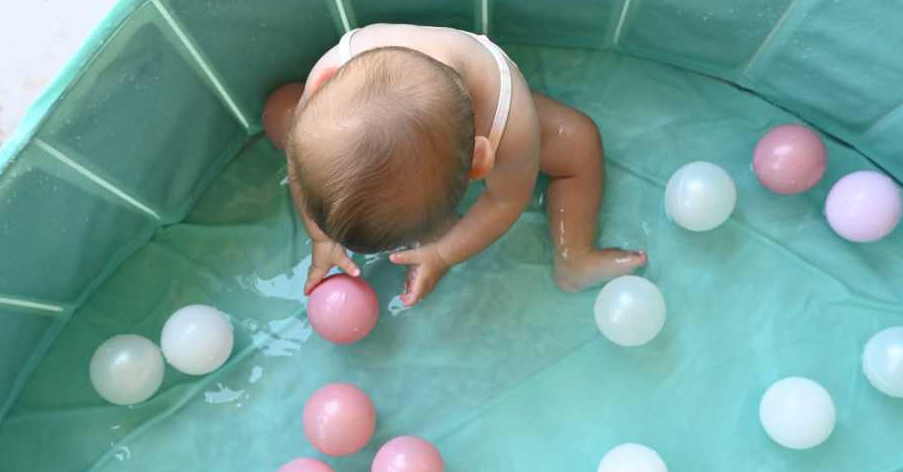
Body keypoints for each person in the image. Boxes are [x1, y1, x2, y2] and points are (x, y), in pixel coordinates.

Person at [261, 23, 646, 305]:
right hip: (413, 119)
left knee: (578, 144)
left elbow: (505, 202)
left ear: (481, 161)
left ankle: (573, 257)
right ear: (326, 81)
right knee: (282, 109)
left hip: (492, 102)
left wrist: (444, 253)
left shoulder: (511, 124)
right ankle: (431, 217)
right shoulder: (329, 74)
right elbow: (300, 156)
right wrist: (322, 235)